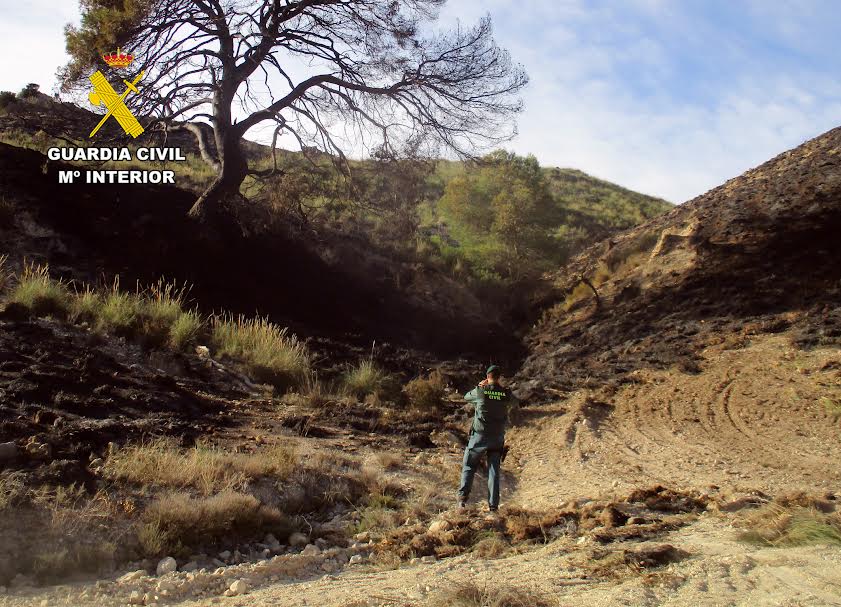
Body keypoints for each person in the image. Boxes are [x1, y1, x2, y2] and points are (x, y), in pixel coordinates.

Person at [457, 365, 517, 512]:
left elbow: (466, 397)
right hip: (497, 438)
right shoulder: (505, 393)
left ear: (487, 376)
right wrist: (501, 389)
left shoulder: (480, 391)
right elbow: (515, 402)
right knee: (494, 471)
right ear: (499, 377)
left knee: (469, 465)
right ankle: (493, 507)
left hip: (479, 436)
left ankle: (462, 500)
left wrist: (480, 385)